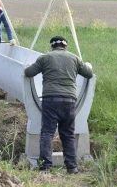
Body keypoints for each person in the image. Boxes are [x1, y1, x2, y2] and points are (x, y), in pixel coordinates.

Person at [24, 36, 93, 174]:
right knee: (68, 134)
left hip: (51, 101)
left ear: (52, 46)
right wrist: (89, 65)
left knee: (47, 133)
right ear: (65, 46)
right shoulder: (74, 58)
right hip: (69, 101)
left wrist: (27, 66)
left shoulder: (45, 58)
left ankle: (45, 167)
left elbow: (29, 72)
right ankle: (72, 167)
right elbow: (88, 74)